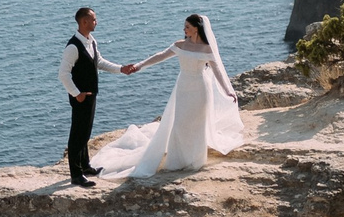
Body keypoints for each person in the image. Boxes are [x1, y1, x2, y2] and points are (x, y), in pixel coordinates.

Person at [91, 13, 242, 183]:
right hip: (183, 87)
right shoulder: (180, 45)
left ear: (196, 29)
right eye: (184, 26)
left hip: (201, 89)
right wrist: (140, 65)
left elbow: (218, 71)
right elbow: (160, 56)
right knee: (180, 122)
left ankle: (195, 160)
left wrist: (227, 90)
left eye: (187, 27)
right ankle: (178, 160)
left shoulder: (207, 49)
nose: (184, 29)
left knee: (197, 123)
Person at [59, 7, 136, 186]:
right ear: (84, 22)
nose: (96, 22)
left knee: (85, 132)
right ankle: (76, 174)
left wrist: (121, 69)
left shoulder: (90, 41)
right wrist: (76, 94)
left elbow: (99, 62)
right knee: (77, 134)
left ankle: (85, 166)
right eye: (93, 19)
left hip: (90, 95)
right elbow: (63, 74)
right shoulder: (73, 46)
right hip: (80, 97)